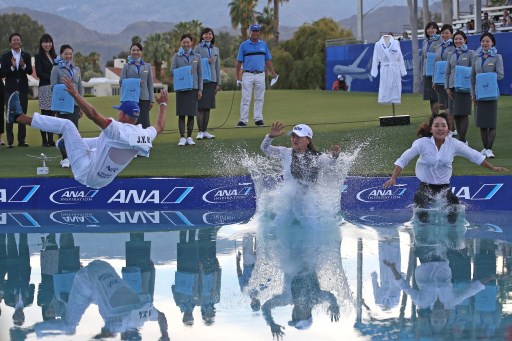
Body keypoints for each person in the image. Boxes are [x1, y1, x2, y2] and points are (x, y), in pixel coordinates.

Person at [6, 76, 168, 189]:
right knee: (102, 140)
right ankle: (67, 144)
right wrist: (163, 105)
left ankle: (19, 117)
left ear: (123, 115)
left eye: (119, 112)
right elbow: (159, 126)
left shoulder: (116, 130)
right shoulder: (144, 135)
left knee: (68, 126)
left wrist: (75, 94)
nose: (118, 113)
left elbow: (93, 114)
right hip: (104, 181)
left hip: (86, 171)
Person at [383, 113, 508, 223]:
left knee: (454, 208)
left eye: (443, 125)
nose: (440, 128)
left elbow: (474, 156)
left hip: (444, 188)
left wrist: (492, 168)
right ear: (431, 129)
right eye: (436, 125)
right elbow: (403, 159)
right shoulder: (421, 143)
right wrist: (394, 177)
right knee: (420, 206)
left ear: (448, 129)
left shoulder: (454, 144)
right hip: (425, 187)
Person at [261, 122, 340, 185]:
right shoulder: (285, 152)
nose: (294, 139)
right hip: (288, 200)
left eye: (299, 137)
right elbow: (265, 148)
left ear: (308, 140)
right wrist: (270, 137)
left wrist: (334, 156)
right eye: (293, 136)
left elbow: (331, 163)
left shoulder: (317, 157)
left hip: (309, 201)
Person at [470, 32, 504, 158]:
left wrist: (486, 79)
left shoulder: (497, 57)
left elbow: (500, 75)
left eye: (487, 41)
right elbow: (472, 77)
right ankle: (485, 148)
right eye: (483, 41)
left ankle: (489, 149)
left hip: (491, 94)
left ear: (492, 43)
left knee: (491, 123)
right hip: (479, 94)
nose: (485, 43)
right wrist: (473, 94)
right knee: (482, 123)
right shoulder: (476, 57)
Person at [235, 24, 277, 128]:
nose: (255, 33)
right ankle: (243, 120)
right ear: (250, 32)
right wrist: (237, 77)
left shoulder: (263, 45)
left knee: (259, 98)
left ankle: (258, 119)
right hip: (247, 74)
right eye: (253, 31)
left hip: (260, 74)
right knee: (246, 98)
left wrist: (273, 72)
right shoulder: (244, 45)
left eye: (257, 31)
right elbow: (239, 62)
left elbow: (267, 60)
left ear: (259, 33)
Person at [51, 44, 84, 168]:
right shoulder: (56, 69)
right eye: (66, 53)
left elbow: (80, 88)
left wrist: (81, 105)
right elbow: (53, 87)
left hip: (75, 104)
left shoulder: (76, 69)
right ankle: (64, 158)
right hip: (63, 104)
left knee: (74, 131)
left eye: (70, 53)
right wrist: (66, 88)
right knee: (63, 131)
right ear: (61, 55)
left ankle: (73, 157)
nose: (69, 56)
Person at [170, 33, 202, 146]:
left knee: (191, 114)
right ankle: (182, 137)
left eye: (188, 42)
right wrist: (184, 71)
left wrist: (200, 89)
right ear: (181, 43)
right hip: (181, 88)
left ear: (191, 43)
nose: (186, 44)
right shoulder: (176, 56)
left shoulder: (197, 56)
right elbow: (172, 70)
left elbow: (200, 74)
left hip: (193, 88)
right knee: (182, 114)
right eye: (184, 42)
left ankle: (189, 137)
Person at [0, 33, 32, 148]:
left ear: (21, 42)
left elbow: (29, 71)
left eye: (18, 40)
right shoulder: (5, 56)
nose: (16, 42)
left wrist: (23, 65)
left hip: (23, 89)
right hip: (10, 89)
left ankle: (22, 141)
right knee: (9, 115)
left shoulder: (26, 55)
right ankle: (10, 141)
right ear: (10, 43)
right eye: (14, 40)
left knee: (22, 114)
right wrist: (12, 67)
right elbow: (2, 73)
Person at [444, 30, 475, 144]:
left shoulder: (471, 53)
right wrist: (447, 87)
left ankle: (462, 138)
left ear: (465, 40)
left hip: (465, 87)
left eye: (460, 39)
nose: (458, 41)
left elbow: (473, 70)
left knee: (464, 113)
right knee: (455, 113)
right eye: (456, 39)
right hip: (452, 88)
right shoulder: (451, 55)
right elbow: (447, 72)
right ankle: (460, 138)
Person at [194, 27, 221, 140]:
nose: (208, 36)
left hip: (212, 81)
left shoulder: (216, 49)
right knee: (200, 107)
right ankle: (200, 131)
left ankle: (205, 131)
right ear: (202, 36)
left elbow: (217, 66)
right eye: (205, 34)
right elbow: (194, 62)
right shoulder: (198, 48)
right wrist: (206, 61)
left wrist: (218, 83)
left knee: (208, 107)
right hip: (201, 81)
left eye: (210, 34)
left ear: (212, 36)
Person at [119, 42, 154, 129]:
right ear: (130, 52)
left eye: (138, 50)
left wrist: (152, 100)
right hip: (130, 98)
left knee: (144, 121)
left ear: (141, 52)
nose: (136, 52)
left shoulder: (148, 66)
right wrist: (136, 82)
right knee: (131, 122)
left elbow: (150, 84)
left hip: (144, 98)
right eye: (133, 50)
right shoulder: (126, 66)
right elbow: (121, 82)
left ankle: (145, 141)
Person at [35, 34, 58, 147]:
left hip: (54, 88)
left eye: (49, 42)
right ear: (41, 44)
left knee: (52, 114)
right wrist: (53, 77)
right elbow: (39, 73)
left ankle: (50, 140)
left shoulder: (55, 57)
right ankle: (44, 140)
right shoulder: (38, 57)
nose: (47, 44)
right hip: (45, 87)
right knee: (45, 115)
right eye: (45, 42)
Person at [433, 24, 455, 120]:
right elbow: (435, 64)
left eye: (447, 33)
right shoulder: (438, 46)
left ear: (451, 34)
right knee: (443, 105)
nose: (444, 35)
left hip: (450, 79)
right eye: (442, 33)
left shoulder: (455, 46)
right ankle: (447, 126)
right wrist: (434, 80)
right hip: (440, 79)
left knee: (451, 104)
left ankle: (452, 127)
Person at [421, 22, 442, 111]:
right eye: (428, 28)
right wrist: (423, 73)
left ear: (437, 30)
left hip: (436, 71)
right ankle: (434, 116)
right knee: (431, 96)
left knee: (438, 96)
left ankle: (442, 117)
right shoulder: (425, 41)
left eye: (433, 28)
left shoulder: (440, 40)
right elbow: (423, 58)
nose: (430, 30)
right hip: (427, 71)